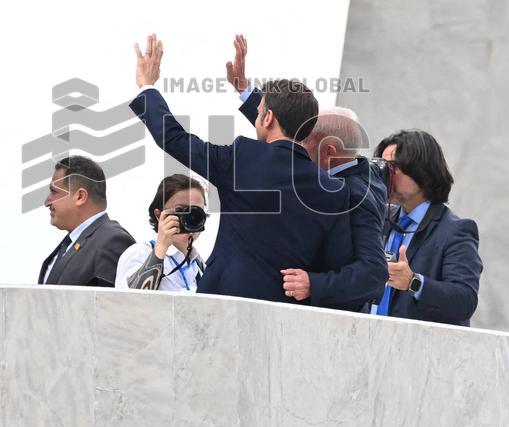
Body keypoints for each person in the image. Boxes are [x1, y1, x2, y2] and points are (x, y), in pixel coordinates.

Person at [130, 33, 354, 303]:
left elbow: (173, 138)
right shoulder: (333, 190)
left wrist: (147, 86)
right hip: (286, 314)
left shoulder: (241, 158)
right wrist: (244, 89)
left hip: (222, 303)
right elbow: (337, 265)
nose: (257, 116)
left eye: (259, 112)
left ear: (267, 118)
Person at [226, 34, 388, 310]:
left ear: (328, 151)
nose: (294, 145)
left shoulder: (357, 196)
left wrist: (315, 284)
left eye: (303, 140)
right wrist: (244, 89)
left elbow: (374, 273)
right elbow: (283, 134)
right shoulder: (341, 170)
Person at [373, 130, 482, 326]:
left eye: (393, 168)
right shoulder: (378, 220)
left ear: (422, 173)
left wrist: (413, 282)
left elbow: (465, 300)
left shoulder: (456, 231)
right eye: (382, 166)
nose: (385, 176)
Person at [39, 155, 135, 286]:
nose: (47, 202)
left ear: (80, 196)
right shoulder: (71, 244)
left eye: (54, 192)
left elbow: (110, 298)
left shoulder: (112, 241)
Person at [115, 175, 207, 291]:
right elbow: (131, 299)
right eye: (180, 210)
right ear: (158, 215)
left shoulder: (199, 264)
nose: (188, 218)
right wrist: (160, 249)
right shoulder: (139, 253)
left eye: (195, 212)